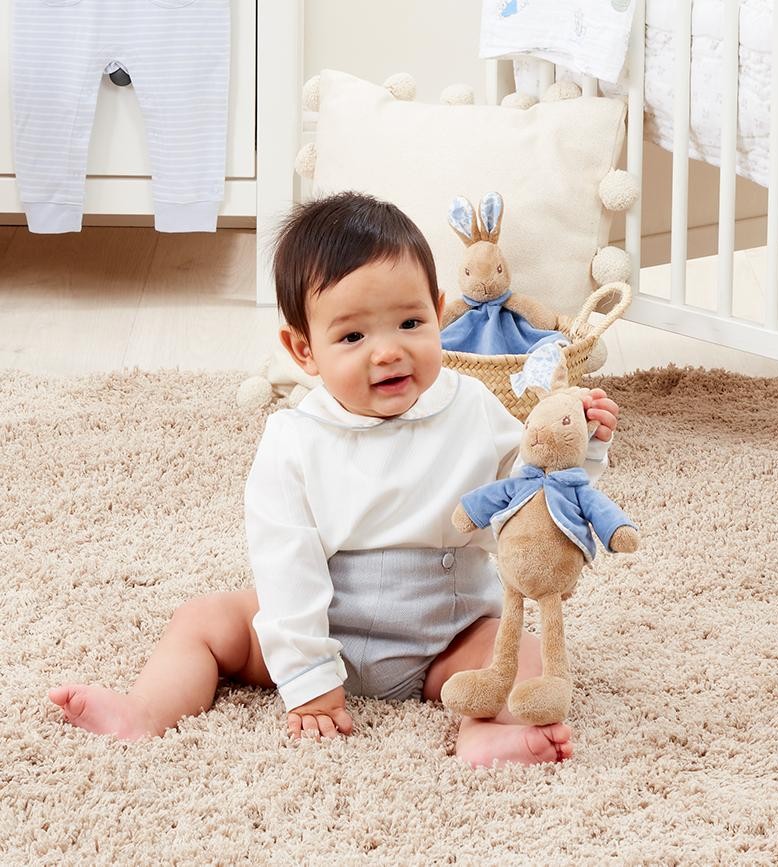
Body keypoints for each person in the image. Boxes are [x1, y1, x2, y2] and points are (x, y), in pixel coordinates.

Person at [49, 192, 621, 767]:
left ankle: (483, 733)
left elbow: (525, 499)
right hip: (327, 623)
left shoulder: (470, 405)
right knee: (200, 622)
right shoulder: (294, 438)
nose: (388, 352)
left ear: (439, 312)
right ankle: (146, 710)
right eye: (352, 337)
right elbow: (286, 563)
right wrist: (307, 677)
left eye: (410, 323)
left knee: (526, 654)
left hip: (449, 634)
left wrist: (579, 448)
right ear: (304, 350)